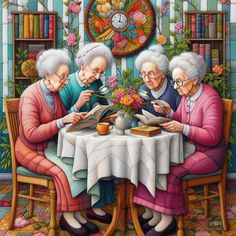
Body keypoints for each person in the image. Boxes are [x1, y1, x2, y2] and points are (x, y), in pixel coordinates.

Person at [133, 52, 226, 236]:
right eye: (174, 82)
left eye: (179, 82)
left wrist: (182, 127)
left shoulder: (210, 98)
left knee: (171, 170)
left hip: (209, 153)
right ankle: (154, 213)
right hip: (190, 148)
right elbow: (181, 119)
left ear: (195, 79)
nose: (175, 87)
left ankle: (167, 221)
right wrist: (169, 113)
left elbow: (212, 136)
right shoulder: (186, 95)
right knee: (153, 161)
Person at [15, 49, 101, 236]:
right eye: (62, 77)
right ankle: (67, 217)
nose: (64, 81)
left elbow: (62, 116)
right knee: (62, 172)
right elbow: (31, 134)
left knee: (78, 164)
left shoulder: (54, 92)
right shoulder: (30, 96)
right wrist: (62, 121)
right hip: (29, 150)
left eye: (65, 77)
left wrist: (75, 110)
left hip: (49, 147)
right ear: (47, 74)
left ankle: (78, 214)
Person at [59, 42, 116, 225]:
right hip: (69, 139)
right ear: (83, 65)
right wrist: (76, 106)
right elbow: (58, 118)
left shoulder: (97, 83)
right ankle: (78, 209)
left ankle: (96, 204)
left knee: (105, 153)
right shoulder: (67, 83)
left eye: (102, 72)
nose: (98, 76)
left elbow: (103, 107)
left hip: (90, 135)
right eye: (95, 71)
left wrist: (109, 114)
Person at [135, 44, 181, 116]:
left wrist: (169, 112)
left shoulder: (176, 90)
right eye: (143, 74)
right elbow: (138, 114)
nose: (147, 80)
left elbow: (184, 119)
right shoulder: (143, 89)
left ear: (163, 73)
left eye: (151, 74)